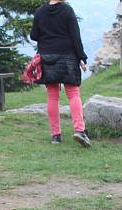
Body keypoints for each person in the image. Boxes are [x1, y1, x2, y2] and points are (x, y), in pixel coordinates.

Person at [30, 0, 91, 147]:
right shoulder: (67, 10)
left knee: (52, 96)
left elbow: (34, 35)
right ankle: (79, 130)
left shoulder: (40, 12)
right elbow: (75, 36)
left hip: (47, 57)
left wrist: (48, 35)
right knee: (73, 93)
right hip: (67, 56)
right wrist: (82, 57)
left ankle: (55, 136)